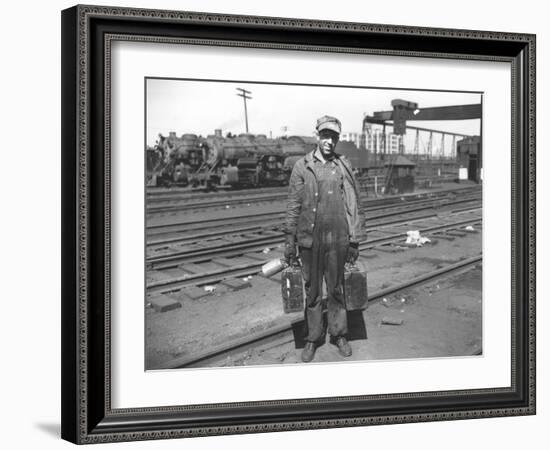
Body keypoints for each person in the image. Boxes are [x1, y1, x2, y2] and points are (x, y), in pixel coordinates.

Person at [284, 115, 364, 363]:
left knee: (337, 289)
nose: (329, 141)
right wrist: (290, 238)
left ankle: (339, 334)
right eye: (325, 136)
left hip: (338, 238)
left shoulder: (343, 166)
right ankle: (313, 337)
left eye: (334, 137)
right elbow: (294, 205)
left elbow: (353, 204)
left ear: (338, 139)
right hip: (310, 239)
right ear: (317, 135)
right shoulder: (302, 166)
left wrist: (354, 239)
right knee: (314, 291)